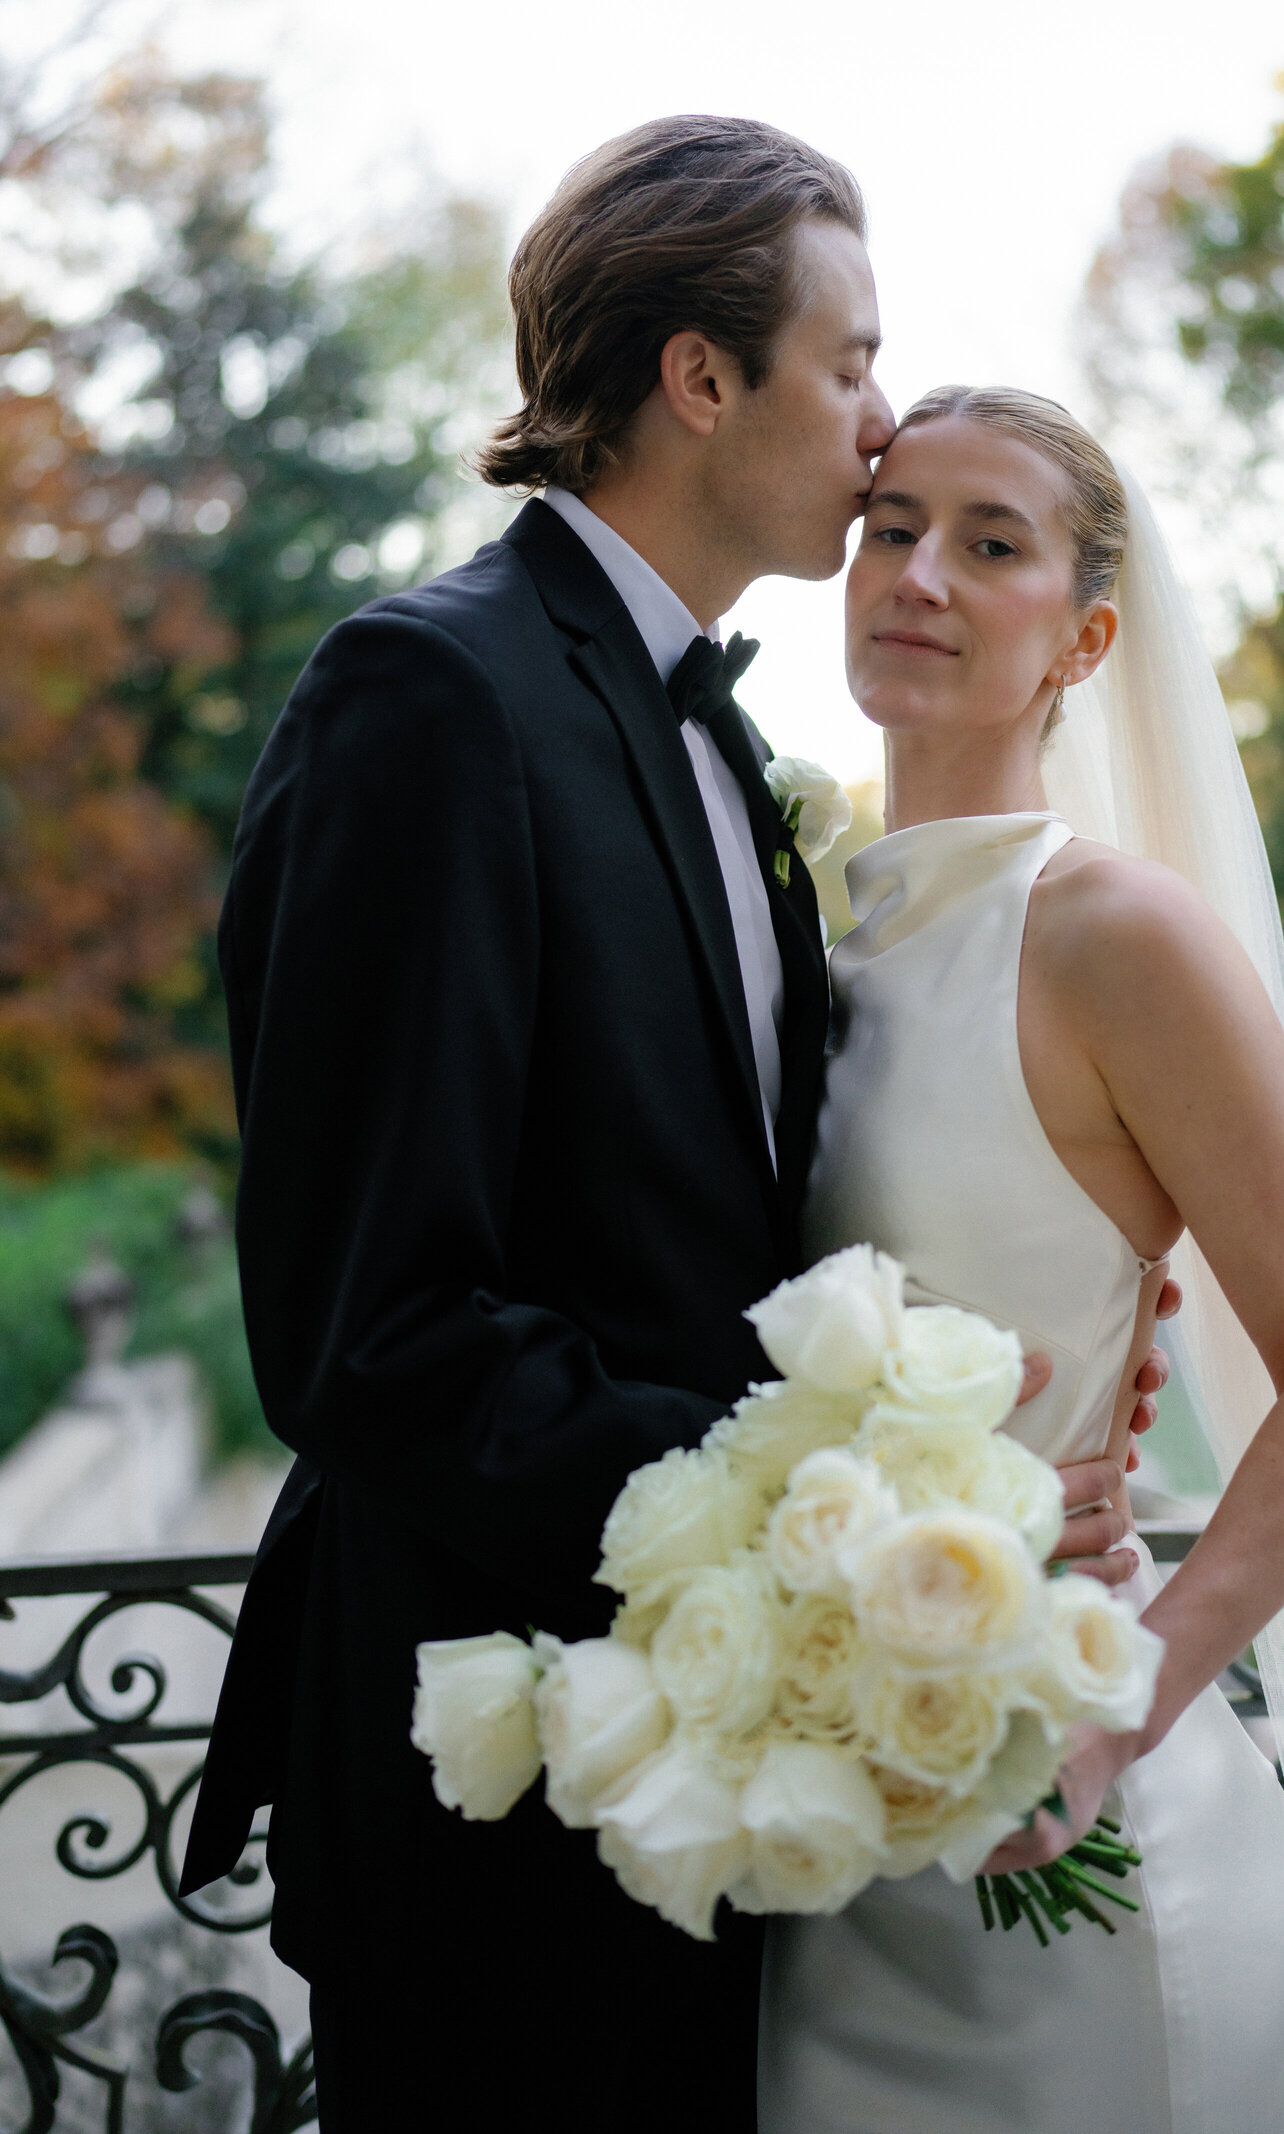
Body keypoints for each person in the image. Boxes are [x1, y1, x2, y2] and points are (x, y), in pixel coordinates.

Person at [176, 125, 1166, 2132]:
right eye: (848, 357)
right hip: (502, 1794)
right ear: (700, 379)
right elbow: (375, 1330)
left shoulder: (714, 738)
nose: (880, 424)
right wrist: (860, 1531)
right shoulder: (431, 699)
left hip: (737, 1820)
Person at [760, 386, 1284, 2134]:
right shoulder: (805, 920)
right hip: (833, 1821)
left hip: (1076, 1864)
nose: (918, 571)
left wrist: (1122, 1703)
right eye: (893, 525)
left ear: (1084, 638)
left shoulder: (1111, 933)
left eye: (989, 545)